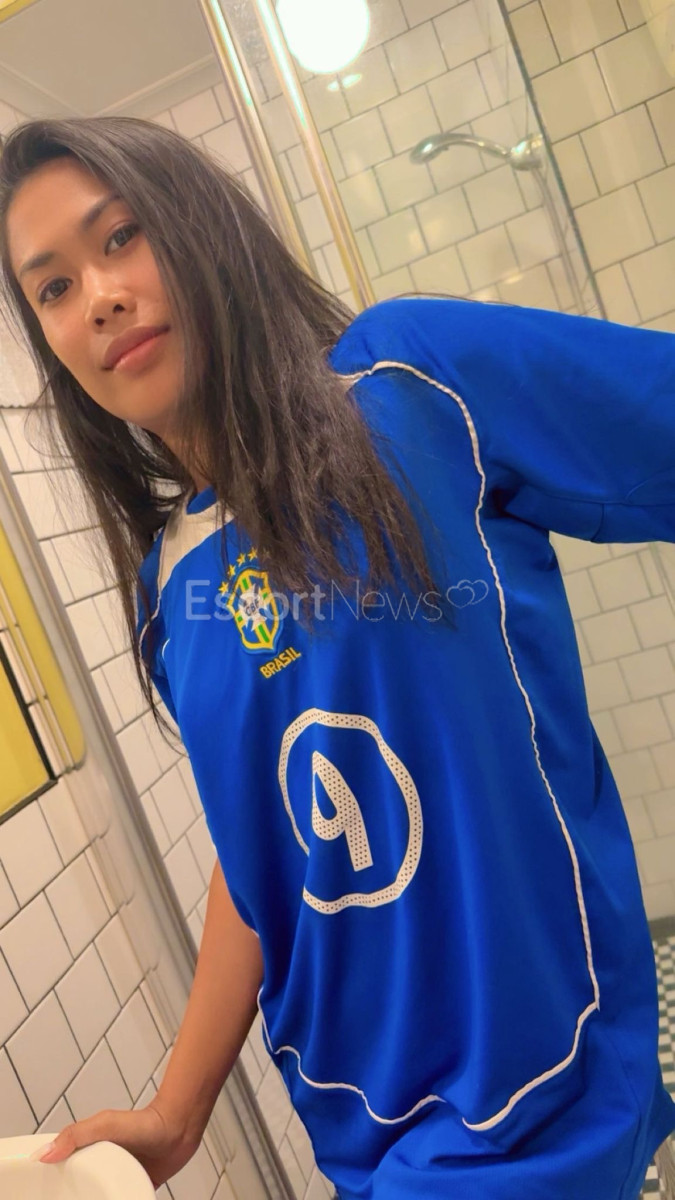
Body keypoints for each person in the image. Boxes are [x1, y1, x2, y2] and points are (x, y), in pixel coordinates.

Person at [1, 114, 674, 1200]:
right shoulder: (169, 589)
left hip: (532, 1107)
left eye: (121, 235)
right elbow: (261, 847)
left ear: (200, 223)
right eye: (54, 289)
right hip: (364, 1137)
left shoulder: (410, 384)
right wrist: (178, 1110)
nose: (100, 299)